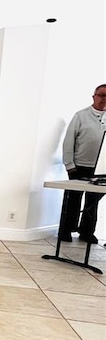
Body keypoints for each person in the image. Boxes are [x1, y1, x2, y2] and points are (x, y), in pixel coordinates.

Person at [60, 83, 106, 243]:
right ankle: (66, 230)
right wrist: (69, 164)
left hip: (100, 170)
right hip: (79, 166)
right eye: (102, 95)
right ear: (94, 97)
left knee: (92, 202)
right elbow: (68, 141)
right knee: (73, 199)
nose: (104, 99)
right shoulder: (81, 116)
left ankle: (86, 232)